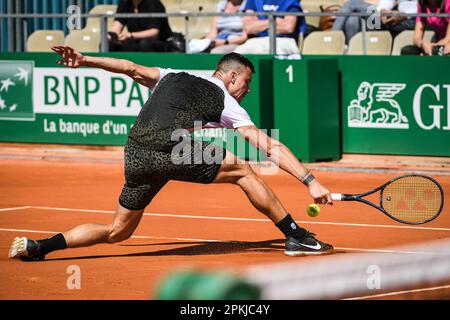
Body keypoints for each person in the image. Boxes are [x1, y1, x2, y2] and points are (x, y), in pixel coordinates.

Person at [8, 45, 334, 262]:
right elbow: (268, 144)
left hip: (135, 153)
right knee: (245, 170)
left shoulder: (172, 74)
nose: (246, 91)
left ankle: (40, 247)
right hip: (169, 147)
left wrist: (86, 60)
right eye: (246, 83)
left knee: (118, 231)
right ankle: (296, 236)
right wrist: (310, 180)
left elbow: (129, 67)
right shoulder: (225, 101)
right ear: (231, 76)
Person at [234, 0, 306, 55]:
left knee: (278, 57)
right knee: (234, 57)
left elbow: (288, 27)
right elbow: (248, 27)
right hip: (256, 40)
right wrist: (275, 21)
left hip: (284, 40)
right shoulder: (253, 1)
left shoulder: (290, 1)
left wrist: (259, 25)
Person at [108, 0, 173, 52]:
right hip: (135, 41)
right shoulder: (124, 3)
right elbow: (117, 26)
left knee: (145, 43)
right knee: (108, 43)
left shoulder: (153, 3)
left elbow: (154, 33)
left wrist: (130, 35)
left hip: (160, 42)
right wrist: (112, 36)